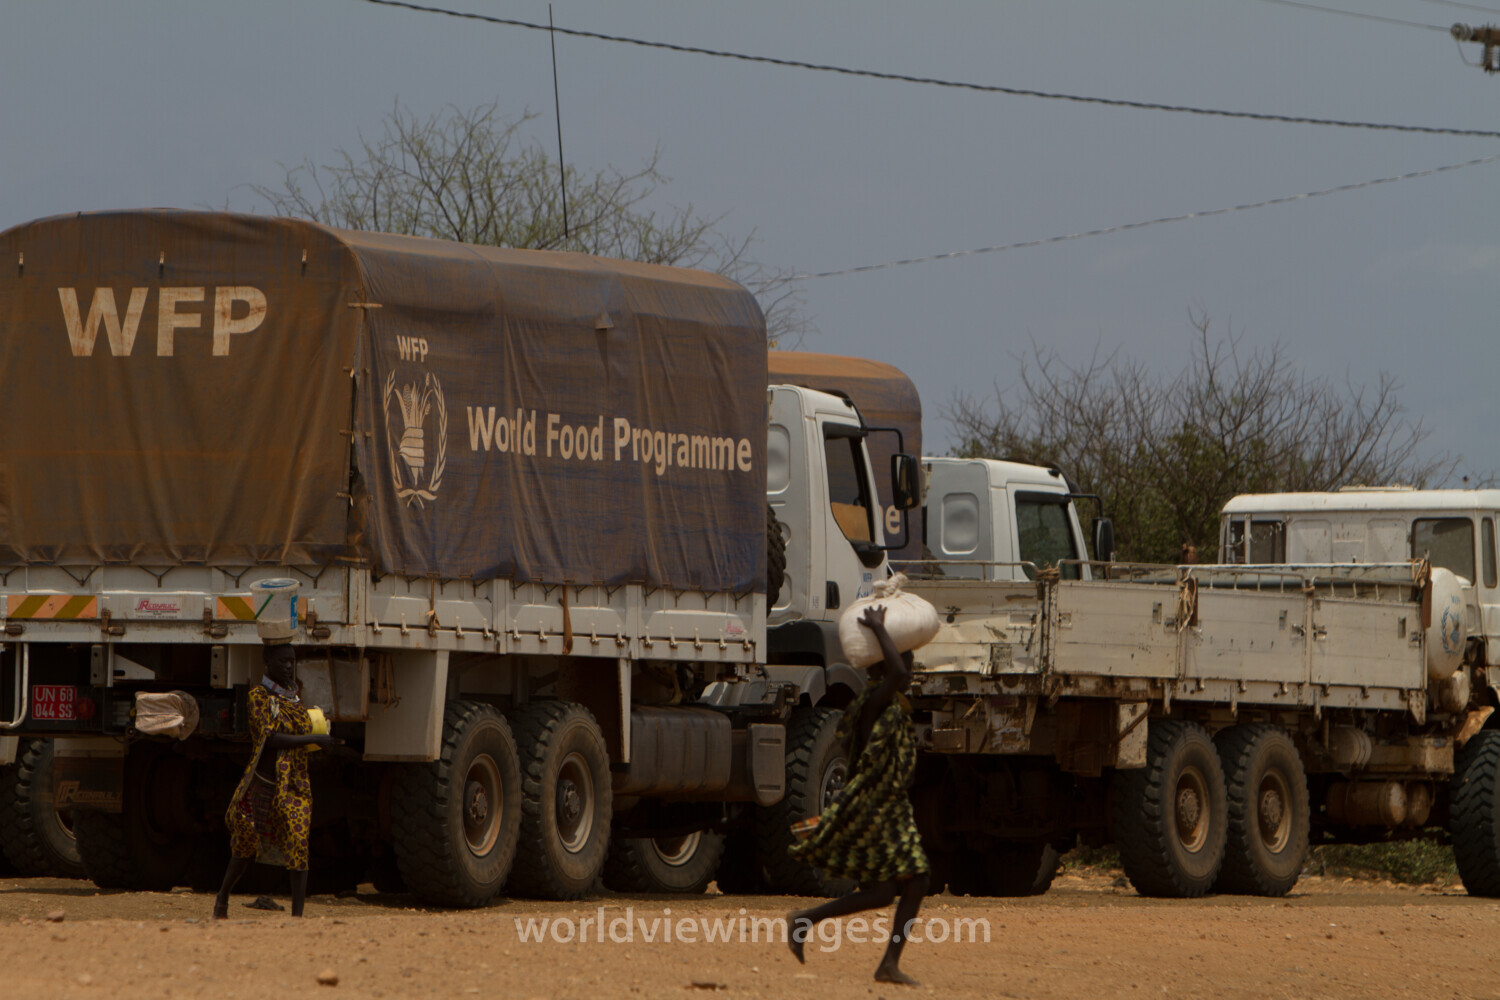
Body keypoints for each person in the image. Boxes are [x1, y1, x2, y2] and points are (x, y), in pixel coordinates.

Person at [786, 605, 931, 985]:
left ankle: (806, 920)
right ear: (882, 670)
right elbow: (898, 672)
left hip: (889, 806)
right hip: (877, 807)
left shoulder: (890, 705)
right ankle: (886, 964)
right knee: (916, 879)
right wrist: (881, 629)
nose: (909, 673)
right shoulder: (873, 702)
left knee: (885, 891)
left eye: (909, 663)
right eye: (904, 663)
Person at [213, 643, 336, 919]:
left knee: (298, 842)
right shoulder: (258, 696)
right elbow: (270, 739)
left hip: (293, 784)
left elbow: (300, 730)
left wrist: (321, 736)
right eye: (283, 662)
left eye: (292, 662)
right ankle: (222, 898)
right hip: (262, 782)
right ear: (267, 662)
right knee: (244, 844)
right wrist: (315, 739)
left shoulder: (294, 697)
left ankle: (297, 917)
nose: (289, 667)